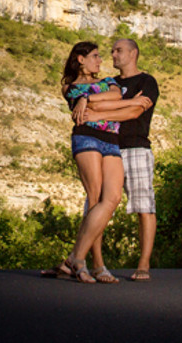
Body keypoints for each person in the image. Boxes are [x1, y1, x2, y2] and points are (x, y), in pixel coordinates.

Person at [48, 40, 152, 283]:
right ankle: (95, 264)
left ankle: (75, 258)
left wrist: (88, 100)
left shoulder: (109, 82)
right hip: (87, 139)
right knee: (94, 199)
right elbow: (90, 104)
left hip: (110, 140)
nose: (101, 60)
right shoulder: (69, 87)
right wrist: (133, 101)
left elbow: (114, 99)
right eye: (95, 56)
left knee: (112, 199)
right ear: (81, 59)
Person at [89, 37, 159, 281]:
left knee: (144, 206)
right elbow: (96, 109)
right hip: (108, 148)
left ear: (133, 53)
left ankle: (143, 265)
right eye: (111, 51)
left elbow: (135, 112)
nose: (113, 55)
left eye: (118, 50)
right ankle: (97, 264)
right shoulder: (110, 84)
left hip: (137, 148)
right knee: (97, 203)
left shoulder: (147, 81)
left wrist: (107, 111)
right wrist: (124, 106)